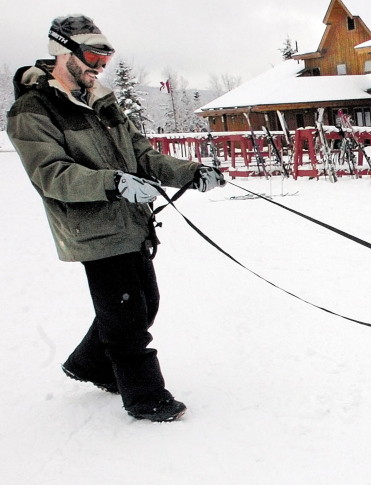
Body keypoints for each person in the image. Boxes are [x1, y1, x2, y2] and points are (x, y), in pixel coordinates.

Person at [7, 14, 225, 422]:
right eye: (93, 55)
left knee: (143, 304)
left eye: (106, 58)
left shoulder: (103, 102)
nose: (99, 66)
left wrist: (191, 173)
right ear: (63, 51)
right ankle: (146, 398)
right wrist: (114, 183)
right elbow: (50, 174)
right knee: (126, 319)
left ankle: (90, 364)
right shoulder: (33, 110)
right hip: (91, 227)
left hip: (131, 219)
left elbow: (141, 154)